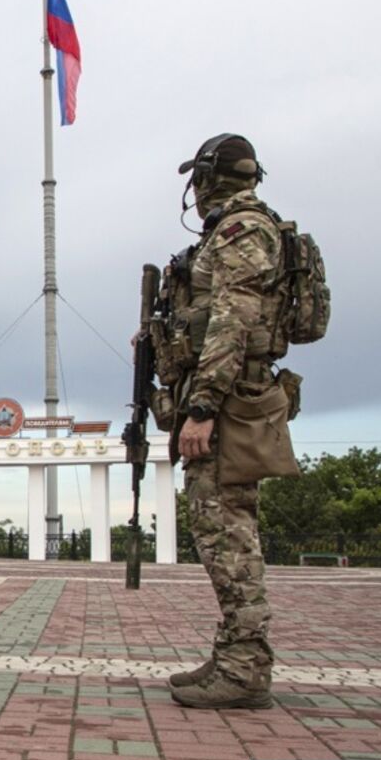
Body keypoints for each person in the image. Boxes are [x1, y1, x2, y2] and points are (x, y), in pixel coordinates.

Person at [156, 134, 298, 710]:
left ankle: (244, 669)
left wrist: (202, 409)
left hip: (231, 403)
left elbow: (231, 323)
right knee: (221, 530)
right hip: (234, 396)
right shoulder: (241, 227)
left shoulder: (241, 229)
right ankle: (236, 653)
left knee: (226, 534)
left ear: (210, 178)